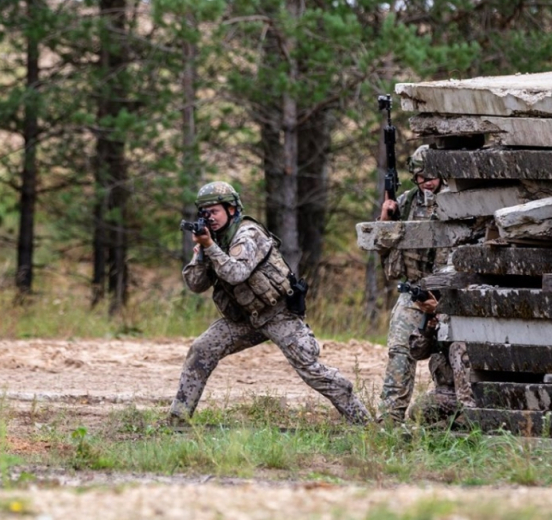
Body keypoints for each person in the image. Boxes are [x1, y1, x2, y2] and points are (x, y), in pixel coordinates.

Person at [169, 181, 373, 425]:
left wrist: (210, 247)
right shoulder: (214, 241)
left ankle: (365, 423)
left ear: (232, 209)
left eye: (214, 211)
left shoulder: (248, 233)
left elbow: (237, 273)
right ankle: (178, 420)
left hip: (278, 314)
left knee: (311, 369)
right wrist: (202, 253)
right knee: (201, 350)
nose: (209, 218)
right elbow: (195, 285)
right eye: (205, 213)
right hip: (244, 319)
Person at [374, 146, 445, 421]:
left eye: (431, 176)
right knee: (400, 352)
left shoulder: (459, 203)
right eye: (419, 176)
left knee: (445, 359)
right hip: (414, 292)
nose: (426, 182)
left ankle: (444, 414)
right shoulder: (406, 202)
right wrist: (386, 217)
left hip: (449, 294)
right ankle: (390, 419)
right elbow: (382, 246)